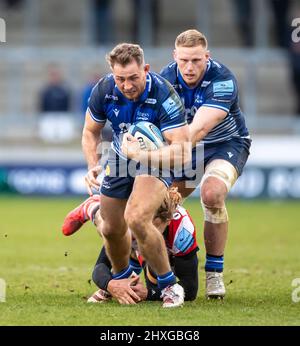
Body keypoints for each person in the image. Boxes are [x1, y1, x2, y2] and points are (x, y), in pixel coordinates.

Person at [81, 43, 191, 307]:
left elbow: (183, 152)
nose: (127, 85)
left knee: (137, 218)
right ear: (112, 74)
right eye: (120, 79)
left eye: (133, 78)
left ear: (146, 69)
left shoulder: (164, 94)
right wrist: (92, 164)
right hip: (120, 157)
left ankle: (169, 285)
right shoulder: (104, 90)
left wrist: (142, 156)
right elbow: (89, 132)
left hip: (157, 158)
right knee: (111, 228)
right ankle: (123, 281)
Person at [160, 29, 251, 299]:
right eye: (184, 60)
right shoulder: (164, 80)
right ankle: (158, 271)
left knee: (211, 194)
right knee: (163, 203)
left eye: (196, 61)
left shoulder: (222, 79)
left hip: (226, 144)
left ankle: (214, 273)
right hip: (188, 149)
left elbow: (198, 131)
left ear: (207, 57)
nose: (189, 67)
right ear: (175, 56)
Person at [62, 188, 199, 305]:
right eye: (142, 224)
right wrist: (111, 285)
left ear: (168, 220)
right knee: (108, 229)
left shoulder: (182, 229)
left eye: (150, 225)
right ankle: (93, 207)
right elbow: (101, 266)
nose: (144, 230)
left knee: (155, 277)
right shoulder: (131, 220)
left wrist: (148, 293)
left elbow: (191, 288)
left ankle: (128, 274)